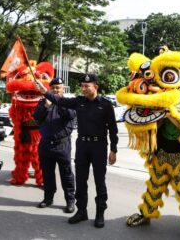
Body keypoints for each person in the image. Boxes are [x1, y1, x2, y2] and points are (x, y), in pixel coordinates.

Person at [36, 73, 118, 228]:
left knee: (100, 181)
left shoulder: (106, 105)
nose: (84, 88)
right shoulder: (78, 102)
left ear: (96, 87)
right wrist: (44, 91)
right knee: (81, 180)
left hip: (99, 146)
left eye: (87, 86)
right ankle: (81, 211)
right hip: (82, 146)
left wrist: (113, 149)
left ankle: (100, 212)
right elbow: (60, 100)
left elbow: (113, 129)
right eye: (82, 86)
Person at [33, 77, 76, 213]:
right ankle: (48, 198)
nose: (56, 90)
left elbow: (70, 115)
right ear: (50, 88)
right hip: (45, 144)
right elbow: (36, 117)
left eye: (59, 87)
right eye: (53, 88)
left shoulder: (69, 103)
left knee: (66, 174)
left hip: (62, 145)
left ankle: (70, 201)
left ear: (63, 89)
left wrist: (56, 101)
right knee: (47, 174)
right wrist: (46, 106)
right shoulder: (44, 102)